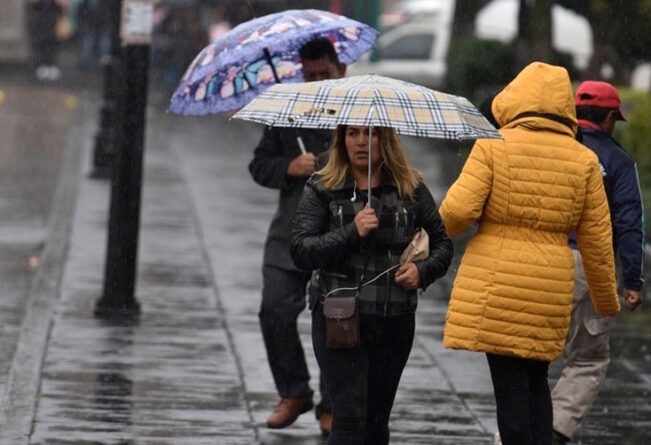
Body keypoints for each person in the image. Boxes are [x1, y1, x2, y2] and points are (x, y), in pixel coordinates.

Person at [438, 61, 621, 445]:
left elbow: (458, 211)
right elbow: (597, 240)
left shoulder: (492, 145)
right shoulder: (584, 160)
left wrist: (429, 238)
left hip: (496, 284)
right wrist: (606, 300)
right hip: (550, 286)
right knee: (536, 379)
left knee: (509, 390)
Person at [290, 125, 453, 444]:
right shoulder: (324, 186)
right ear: (341, 140)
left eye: (371, 134)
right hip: (339, 317)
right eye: (352, 134)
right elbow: (302, 249)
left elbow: (443, 244)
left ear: (386, 140)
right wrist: (353, 231)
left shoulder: (410, 187)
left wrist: (422, 272)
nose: (361, 142)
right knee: (349, 417)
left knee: (377, 419)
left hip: (394, 317)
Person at [247, 38, 345, 434]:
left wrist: (329, 165)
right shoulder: (286, 112)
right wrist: (289, 166)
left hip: (339, 233)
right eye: (310, 75)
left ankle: (333, 404)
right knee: (274, 310)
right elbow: (259, 165)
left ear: (341, 69)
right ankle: (294, 391)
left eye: (325, 73)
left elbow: (381, 164)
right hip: (289, 233)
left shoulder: (357, 110)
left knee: (337, 322)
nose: (318, 81)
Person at [550, 81, 645, 444]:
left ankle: (510, 435)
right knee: (587, 359)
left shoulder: (556, 148)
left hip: (546, 261)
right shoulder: (619, 161)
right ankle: (555, 429)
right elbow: (630, 222)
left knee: (529, 360)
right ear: (609, 119)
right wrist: (633, 280)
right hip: (593, 266)